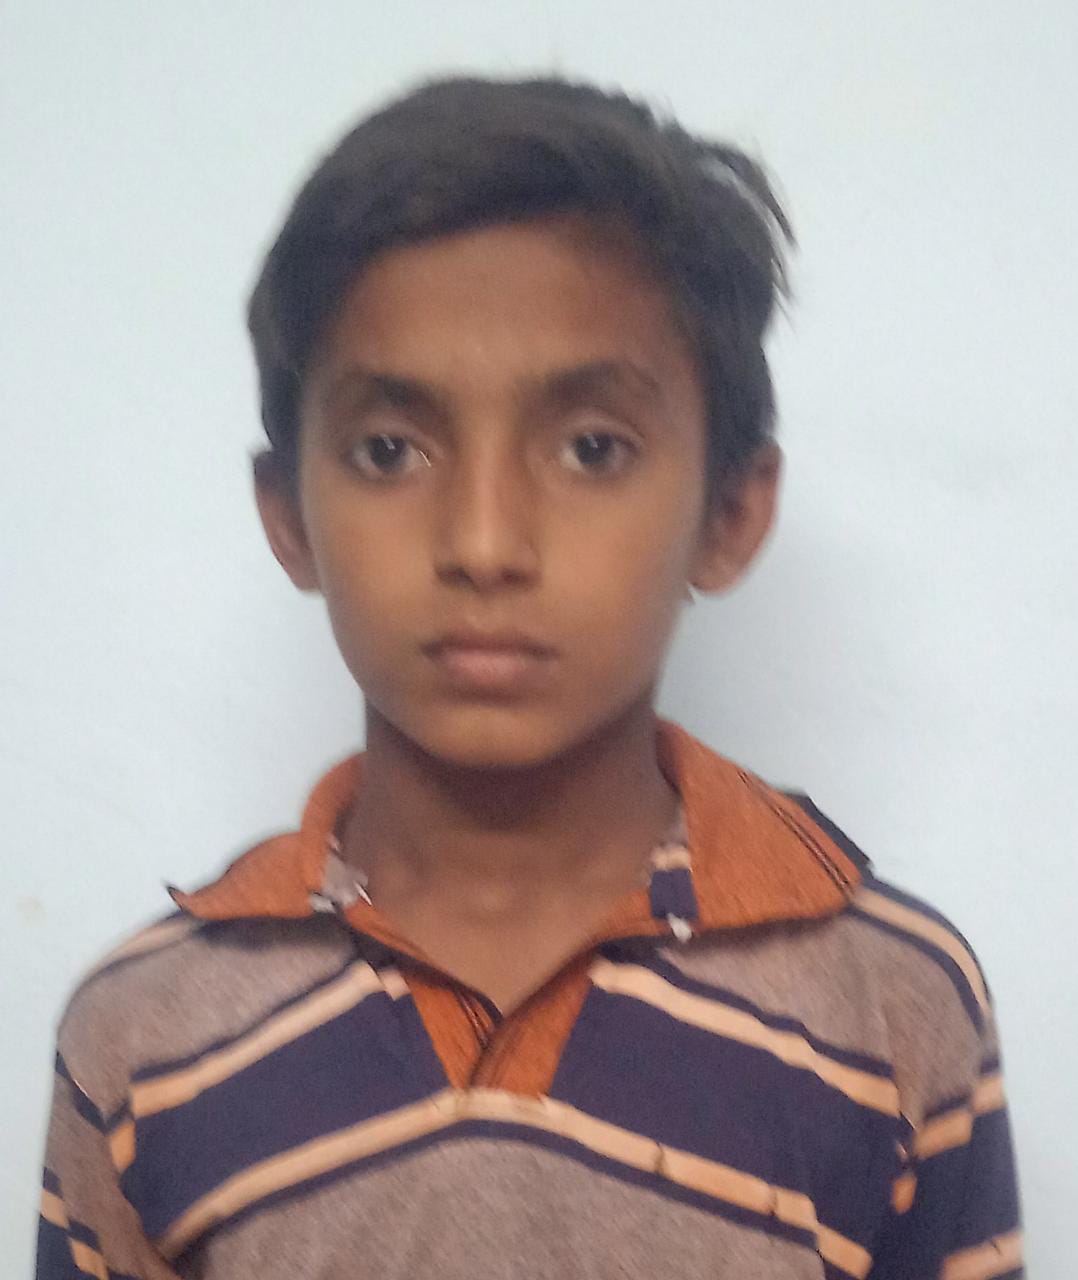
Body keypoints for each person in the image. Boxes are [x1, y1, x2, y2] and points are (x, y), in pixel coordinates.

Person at [35, 75, 1023, 1279]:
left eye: (591, 448)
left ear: (727, 512)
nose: (485, 542)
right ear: (287, 515)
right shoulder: (143, 1033)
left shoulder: (890, 1001)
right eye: (388, 450)